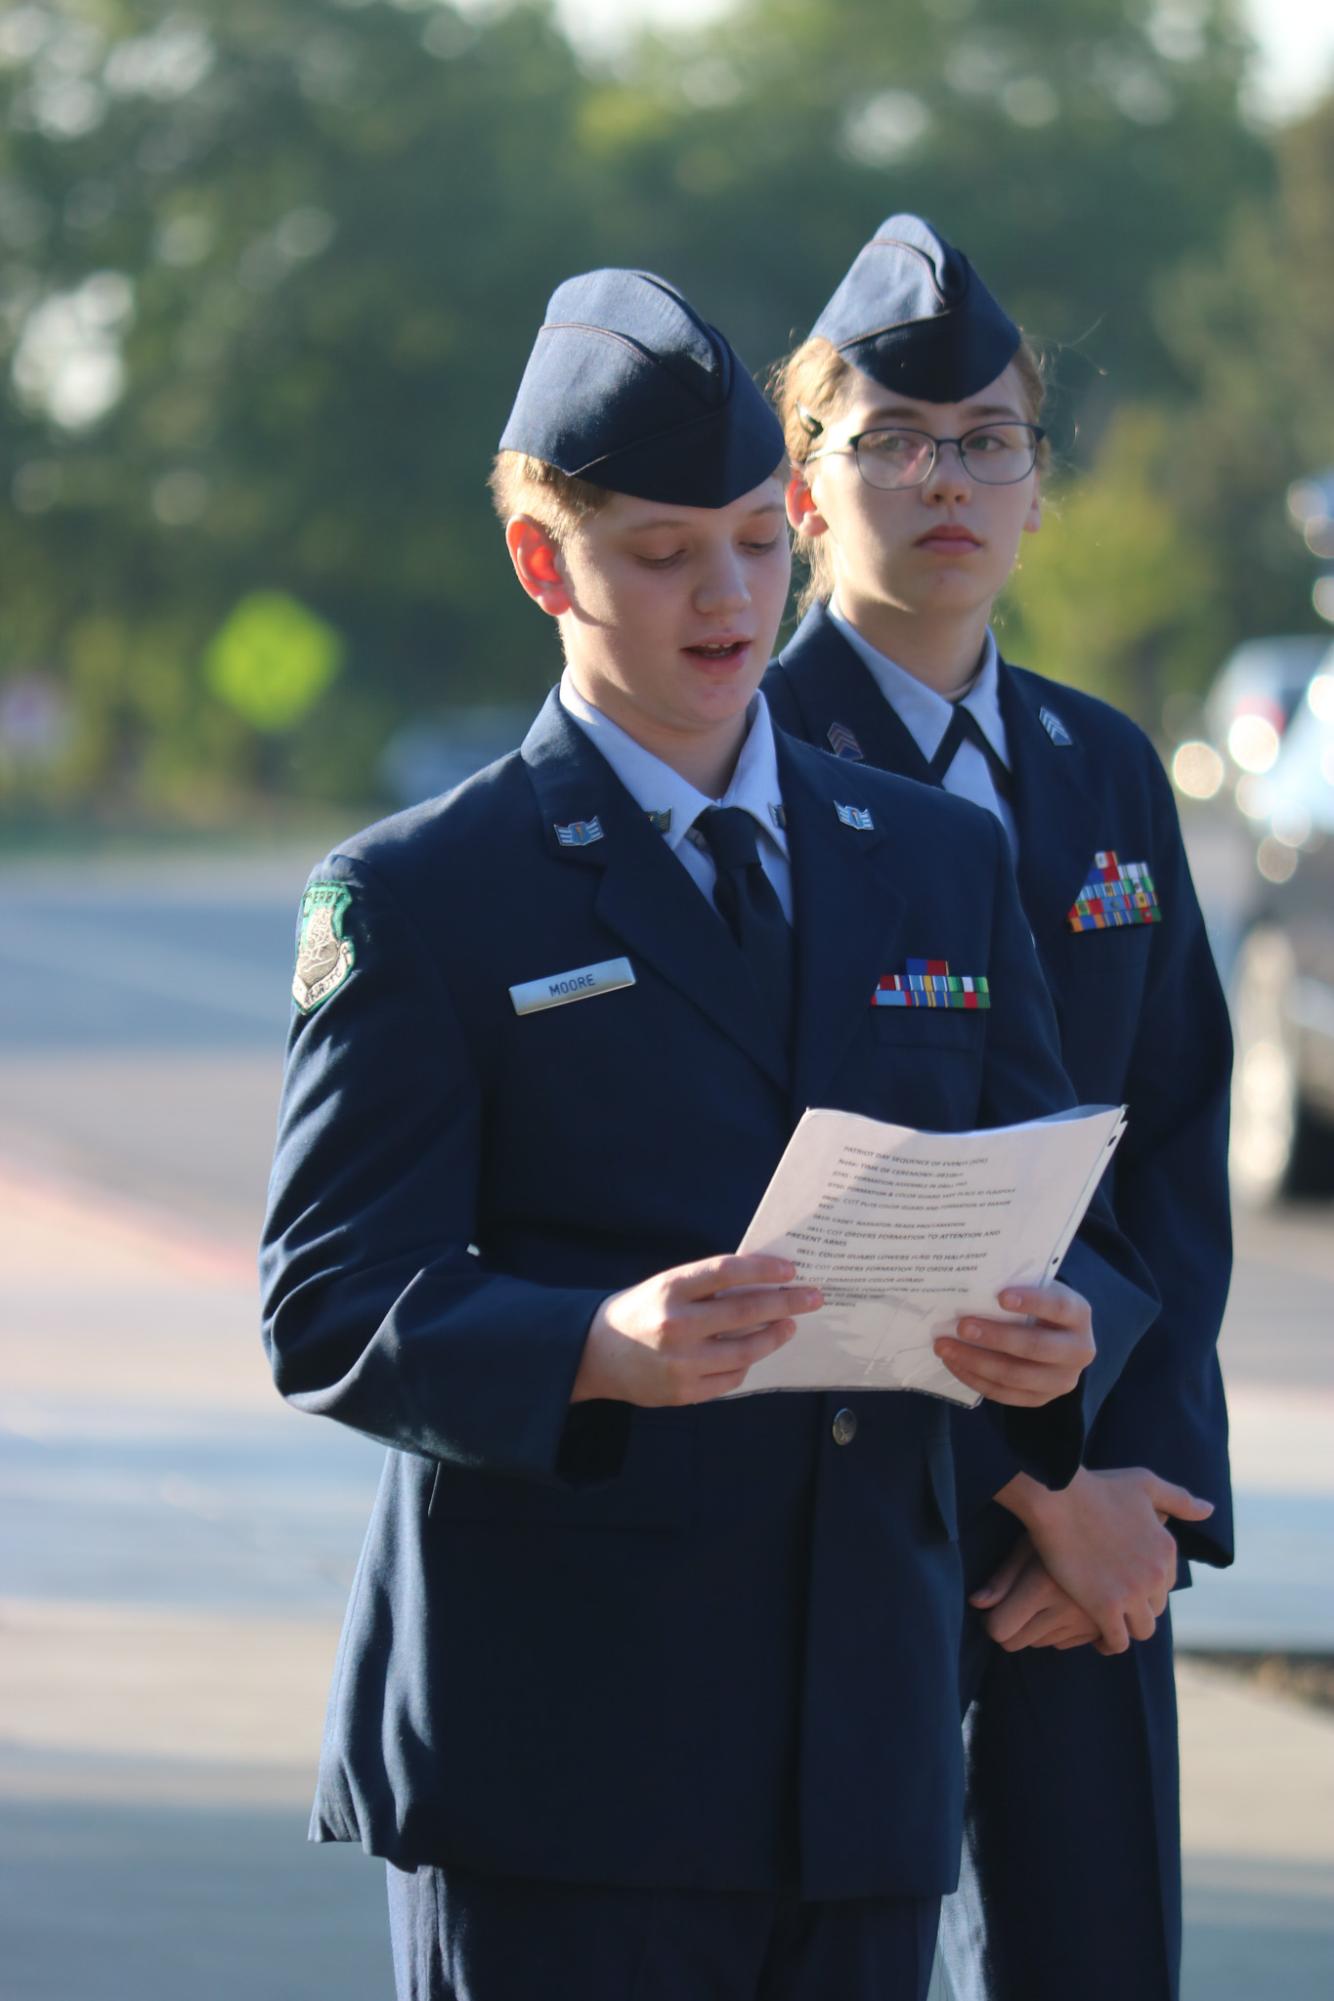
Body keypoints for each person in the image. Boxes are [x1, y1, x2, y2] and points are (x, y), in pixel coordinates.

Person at [260, 266, 1159, 2001]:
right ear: (545, 564)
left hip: (862, 1752)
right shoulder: (426, 892)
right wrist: (591, 1346)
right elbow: (330, 1300)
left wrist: (1052, 1349)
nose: (729, 596)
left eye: (758, 541)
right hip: (563, 1757)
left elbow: (1049, 1204)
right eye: (665, 554)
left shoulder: (935, 857)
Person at [763, 214, 1233, 2001]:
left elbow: (1172, 1143)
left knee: (1094, 1951)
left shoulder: (1103, 764)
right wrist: (1030, 1486)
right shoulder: (753, 767)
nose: (943, 480)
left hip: (1100, 1515)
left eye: (988, 442)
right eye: (888, 441)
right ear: (801, 493)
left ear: (1039, 487)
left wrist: (1140, 1494)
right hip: (855, 1514)